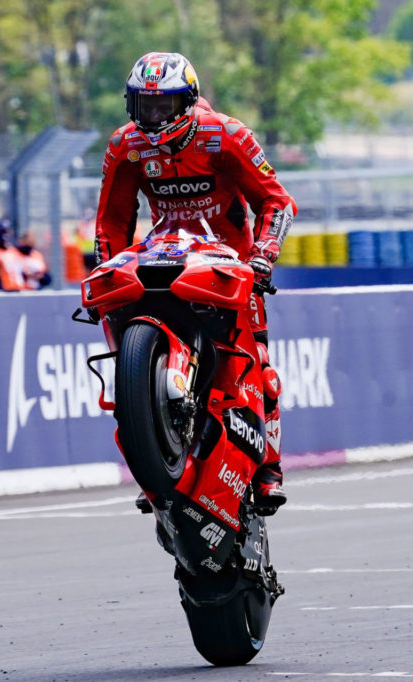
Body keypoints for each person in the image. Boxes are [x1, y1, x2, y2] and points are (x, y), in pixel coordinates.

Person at [95, 52, 298, 514]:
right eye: (144, 106)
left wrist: (263, 257)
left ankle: (269, 471)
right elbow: (111, 220)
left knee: (258, 362)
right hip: (162, 255)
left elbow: (277, 202)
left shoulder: (227, 134)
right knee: (123, 342)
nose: (154, 116)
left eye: (163, 106)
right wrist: (102, 275)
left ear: (186, 102)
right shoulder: (125, 145)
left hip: (230, 263)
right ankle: (157, 452)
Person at [0, 223, 29, 291]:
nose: (6, 237)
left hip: (19, 290)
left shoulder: (14, 252)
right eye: (3, 234)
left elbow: (23, 272)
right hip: (3, 293)